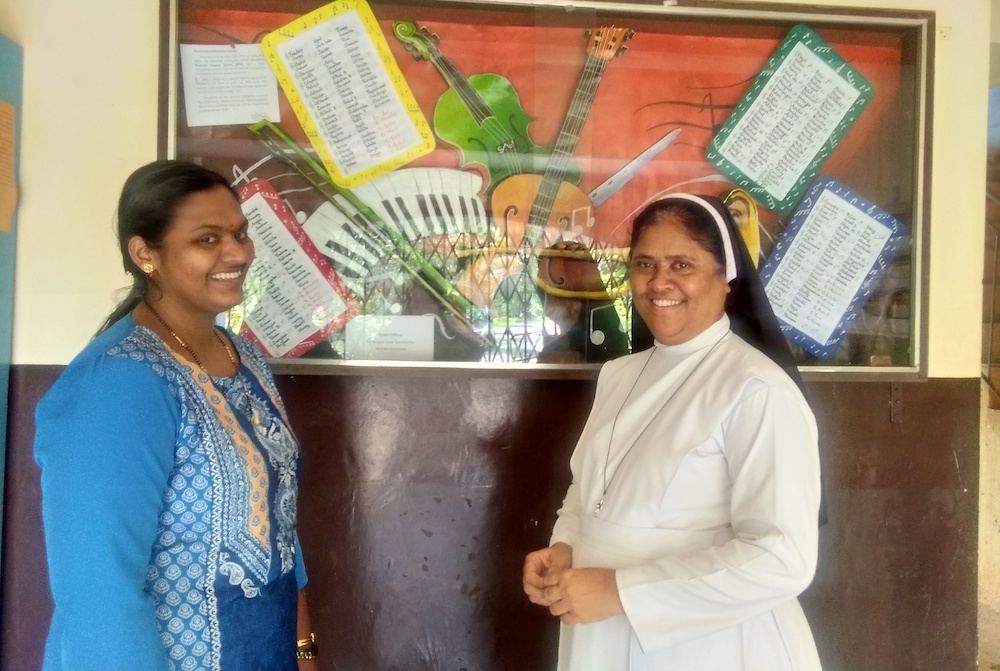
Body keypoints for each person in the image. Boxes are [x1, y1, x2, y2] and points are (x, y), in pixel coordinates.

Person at [35, 160, 320, 671]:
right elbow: (100, 595)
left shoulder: (243, 358)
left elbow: (280, 527)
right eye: (207, 239)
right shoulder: (120, 383)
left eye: (240, 233)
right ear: (146, 253)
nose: (238, 252)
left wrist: (304, 651)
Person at [522, 193, 822, 670]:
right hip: (598, 630)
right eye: (645, 264)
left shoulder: (757, 390)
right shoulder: (618, 375)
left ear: (726, 280)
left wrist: (620, 591)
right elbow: (589, 493)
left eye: (682, 264)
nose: (659, 282)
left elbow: (781, 557)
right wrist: (565, 547)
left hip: (710, 647)